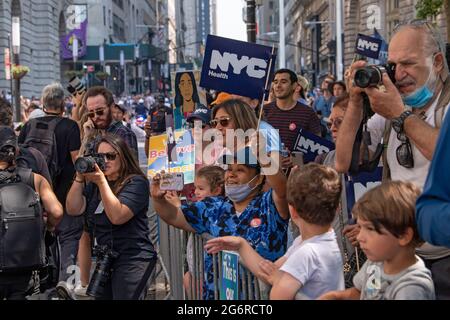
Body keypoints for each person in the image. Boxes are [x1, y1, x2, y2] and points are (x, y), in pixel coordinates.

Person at [335, 20, 450, 299]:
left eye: (408, 64)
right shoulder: (393, 108)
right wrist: (355, 103)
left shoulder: (441, 106)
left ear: (436, 63)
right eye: (393, 65)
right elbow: (343, 161)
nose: (398, 75)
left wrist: (401, 116)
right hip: (403, 252)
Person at [151, 143, 289, 300]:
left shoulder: (269, 206)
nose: (231, 174)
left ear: (258, 179)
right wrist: (158, 200)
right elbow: (174, 216)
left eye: (240, 170)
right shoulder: (213, 206)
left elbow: (282, 190)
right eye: (229, 169)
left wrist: (264, 157)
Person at [205, 163, 344, 300]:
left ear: (293, 211)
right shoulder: (315, 241)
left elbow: (277, 295)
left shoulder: (306, 254)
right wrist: (241, 245)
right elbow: (267, 271)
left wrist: (277, 278)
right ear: (337, 208)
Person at [66, 134, 156, 300]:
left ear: (123, 157)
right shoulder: (96, 185)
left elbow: (117, 216)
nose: (105, 161)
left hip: (133, 258)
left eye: (111, 156)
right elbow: (73, 209)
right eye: (100, 157)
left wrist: (101, 182)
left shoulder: (136, 183)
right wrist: (79, 177)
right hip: (106, 259)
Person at [319, 181, 435, 300]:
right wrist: (335, 296)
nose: (359, 237)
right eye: (360, 227)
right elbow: (364, 293)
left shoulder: (411, 289)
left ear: (403, 236)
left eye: (370, 228)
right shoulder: (377, 263)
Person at [18, 83, 82, 297]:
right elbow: (76, 161)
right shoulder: (70, 127)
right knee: (70, 237)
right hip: (64, 194)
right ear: (63, 104)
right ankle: (66, 282)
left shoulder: (29, 125)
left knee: (41, 236)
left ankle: (40, 281)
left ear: (43, 104)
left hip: (35, 194)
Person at [0, 126, 63, 300]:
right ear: (17, 149)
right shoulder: (34, 179)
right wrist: (47, 229)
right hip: (25, 268)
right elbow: (57, 212)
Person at [164, 166, 225, 299]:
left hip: (207, 276)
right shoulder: (214, 204)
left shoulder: (211, 205)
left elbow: (181, 215)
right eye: (196, 187)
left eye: (201, 189)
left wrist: (176, 206)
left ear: (217, 190)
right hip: (201, 273)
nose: (196, 192)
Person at [264, 69, 321, 153]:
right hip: (267, 164)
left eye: (283, 82)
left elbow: (317, 147)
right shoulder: (264, 111)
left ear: (294, 85)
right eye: (275, 82)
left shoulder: (308, 113)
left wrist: (294, 158)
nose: (278, 85)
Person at [82, 86, 138, 160]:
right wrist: (87, 137)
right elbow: (83, 166)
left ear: (112, 107)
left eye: (100, 111)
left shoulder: (124, 133)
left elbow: (131, 168)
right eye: (91, 113)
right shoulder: (93, 135)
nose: (96, 117)